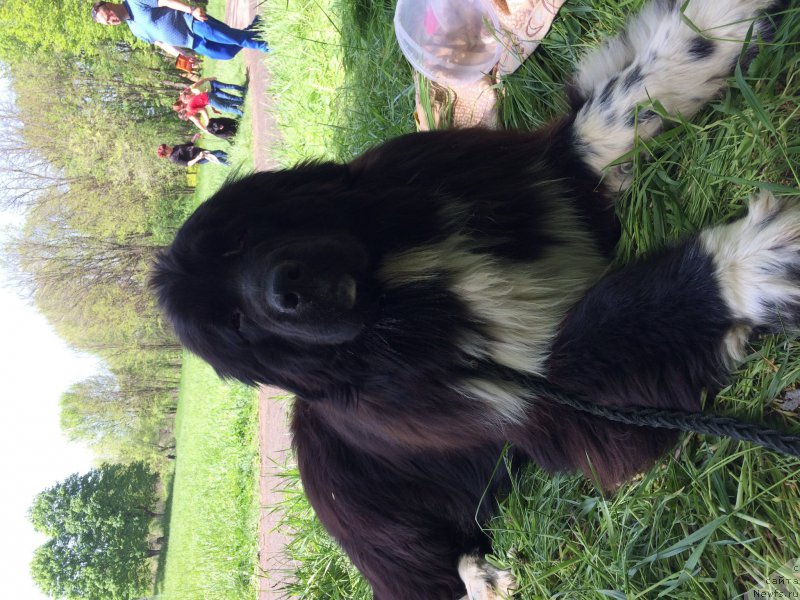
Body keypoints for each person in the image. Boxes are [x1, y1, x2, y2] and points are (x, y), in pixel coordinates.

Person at [91, 1, 268, 60]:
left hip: (193, 24)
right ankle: (255, 27)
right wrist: (181, 56)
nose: (111, 21)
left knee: (236, 39)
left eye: (108, 16)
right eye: (107, 23)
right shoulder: (135, 30)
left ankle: (267, 46)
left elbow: (165, 1)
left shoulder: (135, 2)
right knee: (227, 53)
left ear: (109, 5)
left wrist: (191, 10)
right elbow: (160, 42)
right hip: (193, 43)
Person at [180, 76, 244, 117]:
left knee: (224, 107)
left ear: (187, 96)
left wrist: (210, 78)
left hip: (211, 85)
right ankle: (241, 101)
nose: (188, 101)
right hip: (210, 94)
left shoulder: (193, 88)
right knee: (225, 99)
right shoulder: (192, 101)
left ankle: (241, 112)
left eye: (187, 100)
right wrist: (213, 109)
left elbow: (203, 109)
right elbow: (205, 102)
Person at [157, 142, 229, 166]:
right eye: (166, 149)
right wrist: (198, 157)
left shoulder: (175, 147)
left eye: (165, 146)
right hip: (200, 158)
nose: (167, 147)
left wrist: (194, 138)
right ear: (165, 154)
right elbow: (188, 164)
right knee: (219, 153)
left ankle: (230, 163)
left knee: (217, 158)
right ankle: (234, 156)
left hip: (201, 151)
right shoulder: (174, 158)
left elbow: (188, 145)